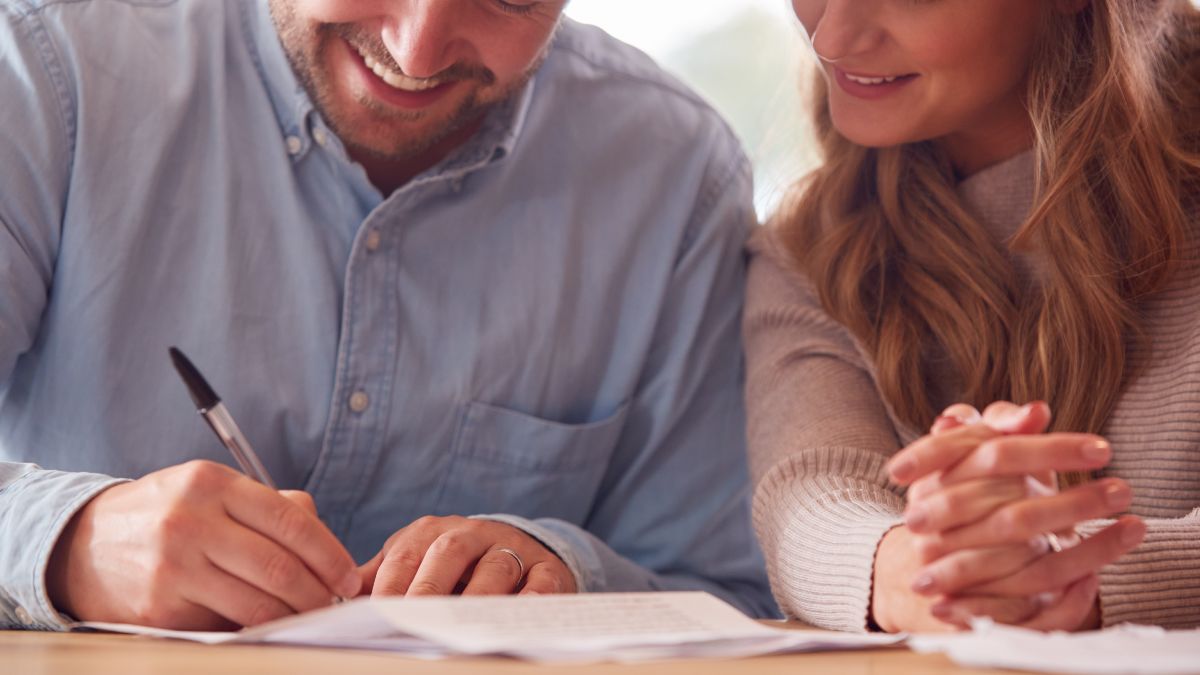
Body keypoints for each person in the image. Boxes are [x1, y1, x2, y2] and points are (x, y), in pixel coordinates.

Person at [0, 0, 775, 630]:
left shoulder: (675, 179)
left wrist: (559, 570)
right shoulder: (48, 68)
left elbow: (721, 594)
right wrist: (71, 542)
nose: (418, 50)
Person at [747, 0, 1200, 633]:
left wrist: (1070, 573)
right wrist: (921, 568)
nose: (830, 35)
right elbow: (811, 496)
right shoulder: (809, 249)